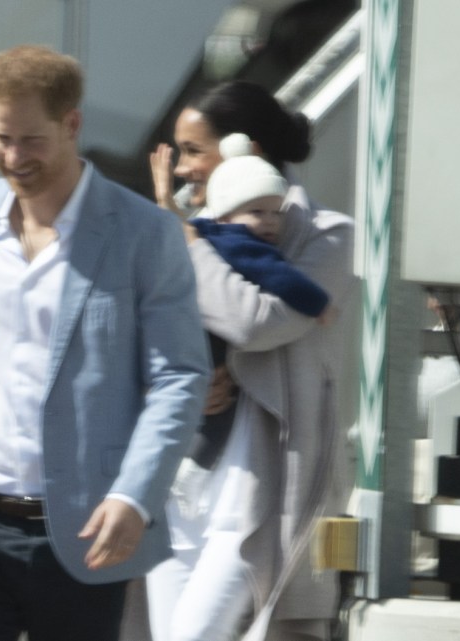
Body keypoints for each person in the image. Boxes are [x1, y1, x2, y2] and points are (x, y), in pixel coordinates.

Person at [0, 45, 211, 641]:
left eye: (30, 139)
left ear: (71, 124)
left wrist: (135, 495)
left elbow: (178, 376)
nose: (13, 156)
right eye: (1, 138)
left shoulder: (142, 233)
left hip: (83, 528)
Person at [145, 81, 357, 641]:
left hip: (257, 497)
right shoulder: (181, 231)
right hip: (181, 481)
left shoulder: (327, 236)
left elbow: (255, 322)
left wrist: (185, 241)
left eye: (195, 150)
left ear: (245, 151)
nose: (185, 168)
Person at [172, 132, 332, 518]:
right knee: (219, 411)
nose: (270, 223)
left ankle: (187, 468)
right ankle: (193, 468)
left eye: (275, 212)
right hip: (212, 346)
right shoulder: (244, 244)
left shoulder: (204, 233)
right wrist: (319, 302)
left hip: (189, 340)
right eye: (257, 212)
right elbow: (279, 279)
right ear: (227, 212)